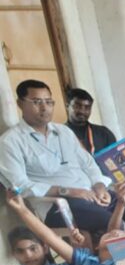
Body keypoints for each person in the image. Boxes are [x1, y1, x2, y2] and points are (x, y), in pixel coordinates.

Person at [0, 79, 114, 236]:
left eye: (48, 102)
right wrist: (70, 192)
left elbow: (88, 163)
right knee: (111, 221)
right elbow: (19, 186)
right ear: (20, 104)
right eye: (37, 102)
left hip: (91, 194)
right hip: (58, 205)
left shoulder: (64, 131)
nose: (44, 108)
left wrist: (99, 185)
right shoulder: (10, 141)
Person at [65, 87, 117, 156]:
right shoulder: (59, 135)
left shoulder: (104, 133)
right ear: (67, 106)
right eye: (77, 106)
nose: (82, 111)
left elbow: (117, 158)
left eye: (87, 107)